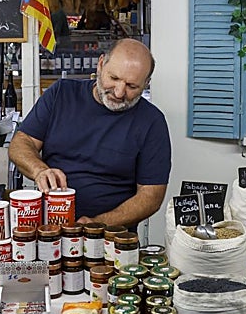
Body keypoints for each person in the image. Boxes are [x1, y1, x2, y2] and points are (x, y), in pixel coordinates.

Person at [9, 38, 171, 226]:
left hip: (111, 237)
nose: (119, 93)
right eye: (114, 78)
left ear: (146, 83)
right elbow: (21, 142)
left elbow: (151, 196)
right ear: (101, 64)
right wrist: (39, 170)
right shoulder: (61, 94)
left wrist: (97, 223)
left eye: (132, 86)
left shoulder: (152, 122)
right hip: (50, 228)